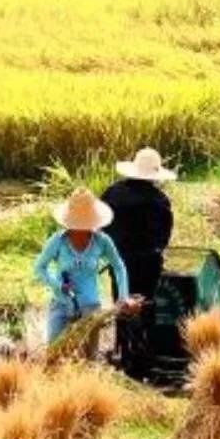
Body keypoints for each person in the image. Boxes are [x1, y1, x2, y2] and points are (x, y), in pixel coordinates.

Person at [33, 187, 138, 355]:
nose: (82, 228)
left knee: (89, 358)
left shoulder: (101, 241)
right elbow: (39, 268)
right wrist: (58, 285)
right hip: (61, 304)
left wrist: (123, 296)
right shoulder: (58, 241)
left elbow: (118, 266)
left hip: (90, 309)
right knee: (54, 353)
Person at [101, 147, 176, 380]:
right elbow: (164, 236)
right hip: (148, 264)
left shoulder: (112, 194)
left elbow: (102, 224)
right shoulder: (160, 201)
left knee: (122, 304)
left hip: (119, 259)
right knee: (145, 307)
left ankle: (123, 353)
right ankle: (144, 359)